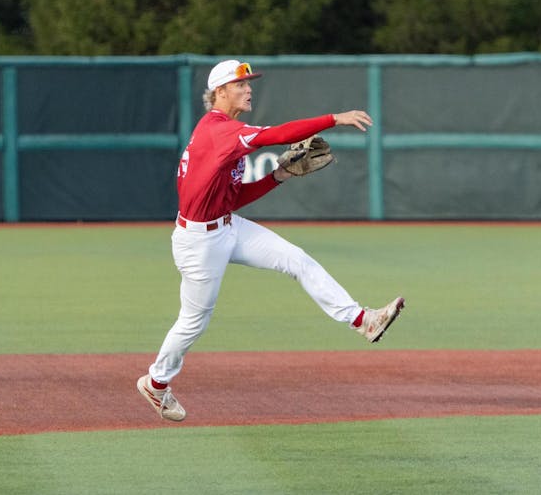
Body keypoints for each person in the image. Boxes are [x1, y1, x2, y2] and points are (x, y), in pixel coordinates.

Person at [137, 59, 405, 421]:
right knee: (193, 321)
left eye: (249, 83)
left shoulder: (225, 132)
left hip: (227, 225)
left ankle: (363, 320)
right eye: (241, 85)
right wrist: (334, 118)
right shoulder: (219, 131)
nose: (249, 89)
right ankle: (156, 383)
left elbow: (232, 199)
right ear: (221, 91)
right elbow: (277, 135)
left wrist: (278, 175)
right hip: (199, 243)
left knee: (296, 259)